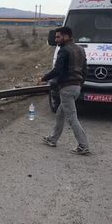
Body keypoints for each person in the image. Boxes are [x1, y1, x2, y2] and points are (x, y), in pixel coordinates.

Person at [40, 26, 90, 155]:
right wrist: (80, 84)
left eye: (58, 37)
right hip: (76, 87)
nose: (56, 40)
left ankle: (83, 146)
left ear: (67, 36)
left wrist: (44, 78)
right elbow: (85, 70)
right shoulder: (80, 49)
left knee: (72, 118)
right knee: (60, 114)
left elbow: (57, 70)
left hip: (67, 88)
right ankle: (52, 139)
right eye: (55, 37)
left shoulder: (64, 50)